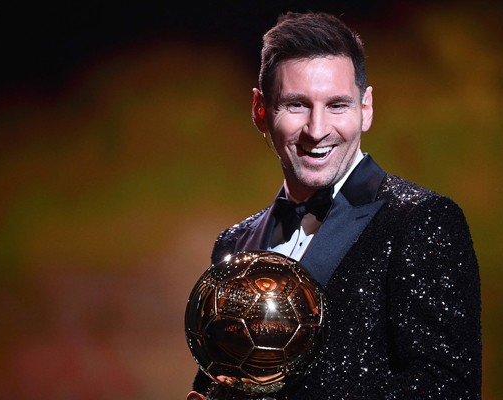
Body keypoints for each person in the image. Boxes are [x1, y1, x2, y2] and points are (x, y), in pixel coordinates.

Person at [189, 12, 481, 400]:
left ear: (367, 107)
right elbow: (222, 376)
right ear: (260, 110)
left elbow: (447, 389)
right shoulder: (234, 244)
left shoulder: (421, 220)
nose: (317, 129)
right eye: (296, 105)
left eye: (337, 105)